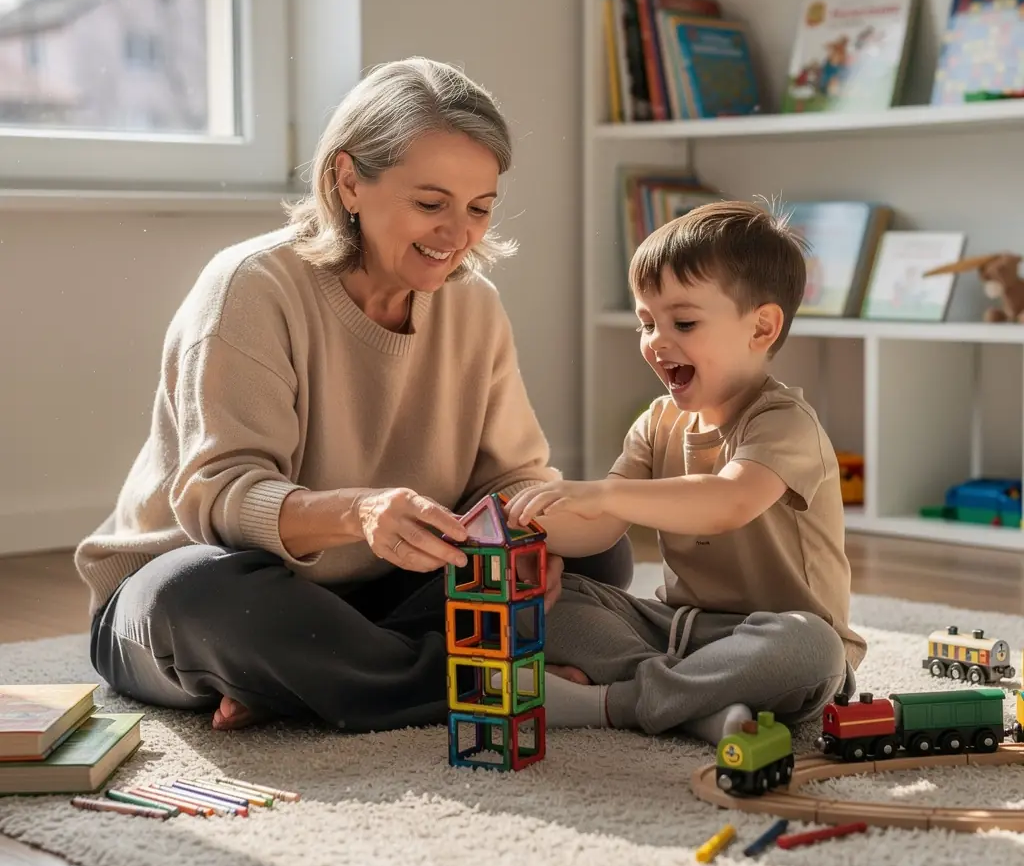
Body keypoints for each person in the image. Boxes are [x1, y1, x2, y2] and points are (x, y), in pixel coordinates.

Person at [75, 57, 632, 733]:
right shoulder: (252, 287)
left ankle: (313, 680)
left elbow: (512, 479)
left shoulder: (473, 307)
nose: (456, 236)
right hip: (198, 587)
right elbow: (217, 498)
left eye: (478, 209)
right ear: (348, 183)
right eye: (430, 204)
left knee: (598, 546)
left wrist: (536, 533)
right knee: (203, 598)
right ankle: (485, 678)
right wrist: (359, 512)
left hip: (376, 595)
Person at [506, 201, 865, 744]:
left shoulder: (785, 423)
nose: (656, 340)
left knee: (812, 649)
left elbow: (728, 501)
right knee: (555, 600)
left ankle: (614, 703)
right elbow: (597, 531)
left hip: (774, 639)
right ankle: (696, 706)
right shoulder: (657, 422)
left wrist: (603, 495)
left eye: (684, 322)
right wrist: (521, 522)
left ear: (762, 328)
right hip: (677, 632)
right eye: (646, 322)